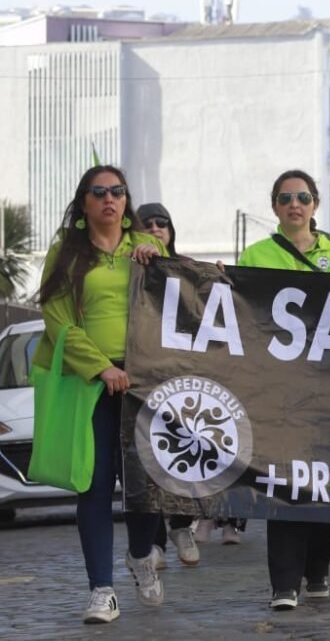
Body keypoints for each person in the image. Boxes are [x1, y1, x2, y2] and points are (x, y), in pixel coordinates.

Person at [35, 165, 167, 623]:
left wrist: (161, 261)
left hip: (147, 382)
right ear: (84, 202)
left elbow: (182, 303)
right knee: (94, 483)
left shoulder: (148, 248)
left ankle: (138, 556)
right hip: (91, 382)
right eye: (99, 192)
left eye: (118, 191)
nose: (110, 198)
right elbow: (57, 320)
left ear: (127, 200)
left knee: (147, 483)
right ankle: (101, 590)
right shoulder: (66, 254)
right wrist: (101, 366)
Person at [236, 170, 330, 611]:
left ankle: (317, 571)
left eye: (303, 197)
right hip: (276, 390)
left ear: (314, 205)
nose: (295, 204)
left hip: (324, 389)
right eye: (286, 198)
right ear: (274, 206)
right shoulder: (255, 255)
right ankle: (284, 583)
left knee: (321, 483)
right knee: (283, 483)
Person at [135, 203, 201, 569]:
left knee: (184, 452)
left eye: (164, 223)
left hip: (179, 375)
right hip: (142, 376)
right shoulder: (127, 267)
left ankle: (181, 524)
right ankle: (155, 540)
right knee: (148, 459)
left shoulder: (188, 268)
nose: (157, 228)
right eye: (149, 224)